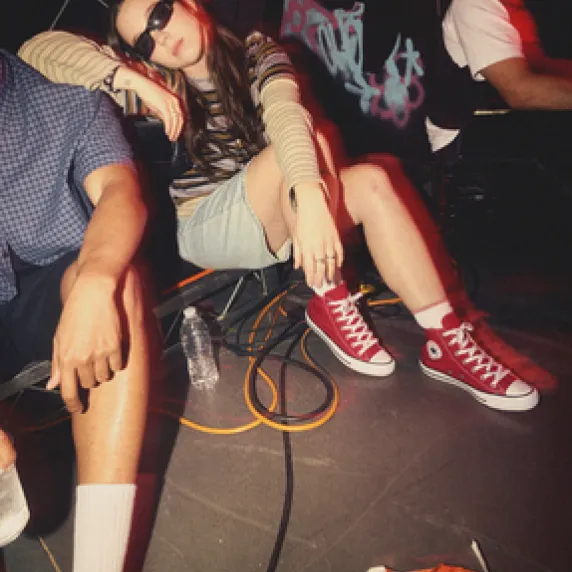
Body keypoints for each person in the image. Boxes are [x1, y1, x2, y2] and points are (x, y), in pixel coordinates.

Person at [19, 0, 541, 412]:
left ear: (189, 3)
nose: (159, 37)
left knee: (372, 179)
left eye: (160, 14)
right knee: (293, 153)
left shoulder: (257, 52)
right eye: (144, 40)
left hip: (275, 205)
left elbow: (286, 111)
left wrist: (310, 196)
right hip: (205, 225)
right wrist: (125, 77)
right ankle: (330, 293)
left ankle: (445, 340)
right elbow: (34, 50)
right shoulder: (157, 83)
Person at [0, 48, 155, 570]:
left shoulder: (68, 104)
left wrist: (97, 279)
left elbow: (119, 189)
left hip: (45, 295)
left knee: (117, 287)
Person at [426, 0, 572, 153]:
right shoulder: (475, 5)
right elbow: (520, 92)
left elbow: (538, 66)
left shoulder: (513, 8)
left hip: (507, 128)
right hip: (466, 141)